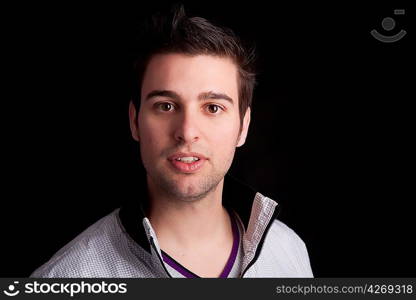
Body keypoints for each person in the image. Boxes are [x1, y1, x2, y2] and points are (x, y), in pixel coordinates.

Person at [31, 4, 313, 278]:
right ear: (134, 121)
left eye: (213, 107)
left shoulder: (289, 252)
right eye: (166, 106)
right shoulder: (67, 278)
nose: (187, 131)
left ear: (243, 126)